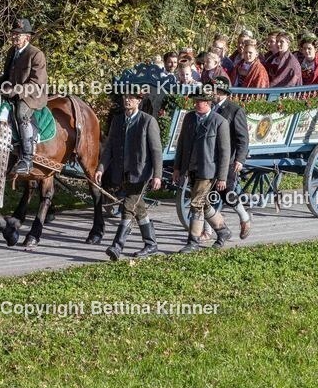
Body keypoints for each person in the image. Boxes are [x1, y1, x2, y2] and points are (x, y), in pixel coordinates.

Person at [97, 88, 163, 260]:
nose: (127, 100)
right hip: (123, 173)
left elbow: (156, 150)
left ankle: (117, 246)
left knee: (128, 206)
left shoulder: (148, 121)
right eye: (125, 97)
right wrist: (101, 168)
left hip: (141, 173)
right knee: (139, 209)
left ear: (138, 101)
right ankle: (151, 244)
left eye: (131, 98)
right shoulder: (118, 121)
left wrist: (157, 174)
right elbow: (109, 148)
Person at [174, 87, 232, 252]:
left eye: (198, 101)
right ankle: (223, 230)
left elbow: (224, 152)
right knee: (203, 204)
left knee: (196, 203)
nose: (195, 103)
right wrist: (177, 168)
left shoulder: (219, 122)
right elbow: (181, 144)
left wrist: (222, 177)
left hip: (208, 171)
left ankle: (193, 241)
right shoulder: (189, 118)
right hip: (191, 168)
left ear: (207, 103)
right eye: (195, 101)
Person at [0, 18, 49, 175]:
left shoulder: (36, 55)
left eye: (18, 35)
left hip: (32, 95)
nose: (15, 38)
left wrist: (15, 90)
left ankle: (27, 159)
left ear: (27, 37)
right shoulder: (11, 52)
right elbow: (6, 75)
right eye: (13, 34)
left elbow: (36, 83)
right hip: (12, 92)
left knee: (20, 112)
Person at [210, 76, 251, 239]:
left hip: (229, 158)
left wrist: (240, 159)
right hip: (211, 158)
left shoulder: (234, 110)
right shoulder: (210, 108)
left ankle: (244, 217)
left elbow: (243, 138)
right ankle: (208, 230)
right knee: (207, 194)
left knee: (226, 193)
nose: (211, 93)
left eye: (213, 90)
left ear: (221, 92)